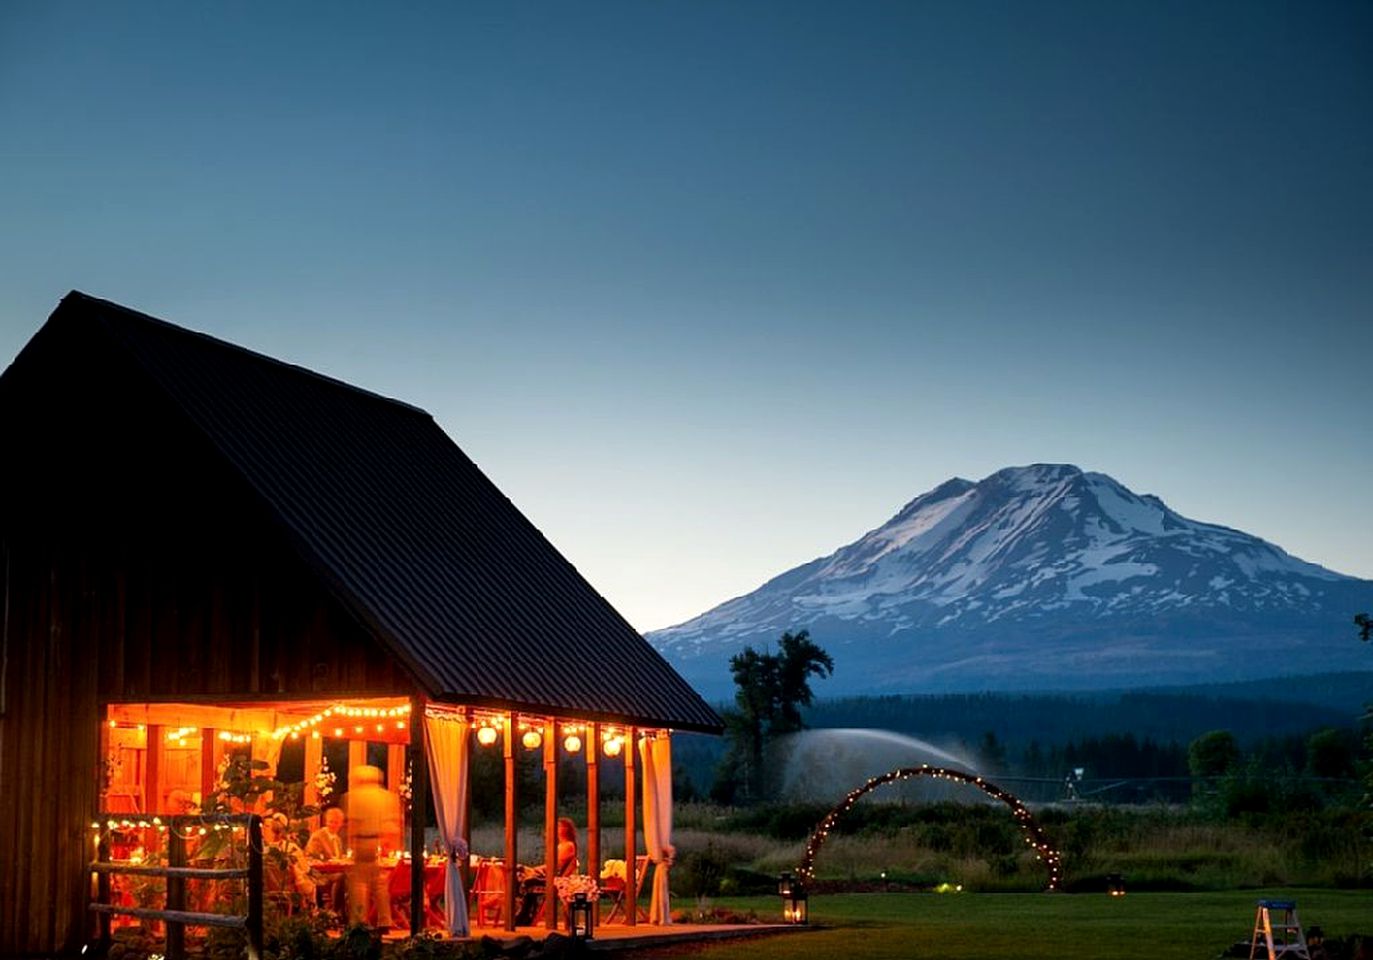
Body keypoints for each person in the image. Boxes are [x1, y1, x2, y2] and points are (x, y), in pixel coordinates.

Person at [343, 765, 401, 929]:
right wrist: (388, 843)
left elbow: (353, 823)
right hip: (380, 841)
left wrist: (352, 846)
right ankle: (384, 920)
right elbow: (392, 822)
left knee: (358, 882)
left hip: (363, 841)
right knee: (380, 883)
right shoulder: (387, 797)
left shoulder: (354, 797)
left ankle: (359, 920)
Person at [515, 817, 578, 925]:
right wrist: (536, 869)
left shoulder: (568, 846)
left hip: (555, 878)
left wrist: (537, 870)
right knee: (521, 875)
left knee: (525, 879)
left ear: (565, 829)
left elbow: (555, 865)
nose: (555, 829)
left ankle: (524, 914)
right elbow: (551, 864)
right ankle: (525, 914)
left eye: (558, 827)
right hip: (550, 874)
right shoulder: (561, 846)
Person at [263, 813, 317, 904]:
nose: (262, 830)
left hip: (266, 894)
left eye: (265, 827)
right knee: (311, 884)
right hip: (290, 893)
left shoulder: (262, 852)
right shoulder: (291, 849)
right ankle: (311, 912)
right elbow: (306, 869)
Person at [305, 806, 346, 911]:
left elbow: (338, 858)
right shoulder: (318, 836)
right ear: (326, 822)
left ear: (341, 824)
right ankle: (335, 911)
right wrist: (324, 861)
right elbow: (310, 857)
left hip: (333, 872)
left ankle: (345, 913)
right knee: (341, 877)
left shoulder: (337, 839)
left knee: (351, 879)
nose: (333, 825)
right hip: (320, 875)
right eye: (331, 822)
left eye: (336, 822)